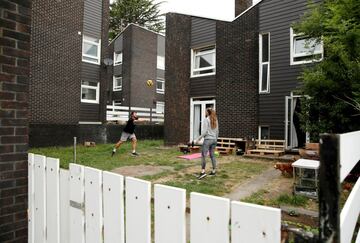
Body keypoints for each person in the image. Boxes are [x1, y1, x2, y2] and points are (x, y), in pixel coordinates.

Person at [195, 108, 219, 180]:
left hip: (208, 140)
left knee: (203, 156)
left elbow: (205, 131)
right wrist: (216, 139)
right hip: (214, 140)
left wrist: (198, 138)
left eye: (206, 111)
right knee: (212, 156)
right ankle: (214, 171)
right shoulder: (215, 120)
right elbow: (217, 131)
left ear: (208, 112)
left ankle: (203, 172)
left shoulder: (206, 119)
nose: (205, 112)